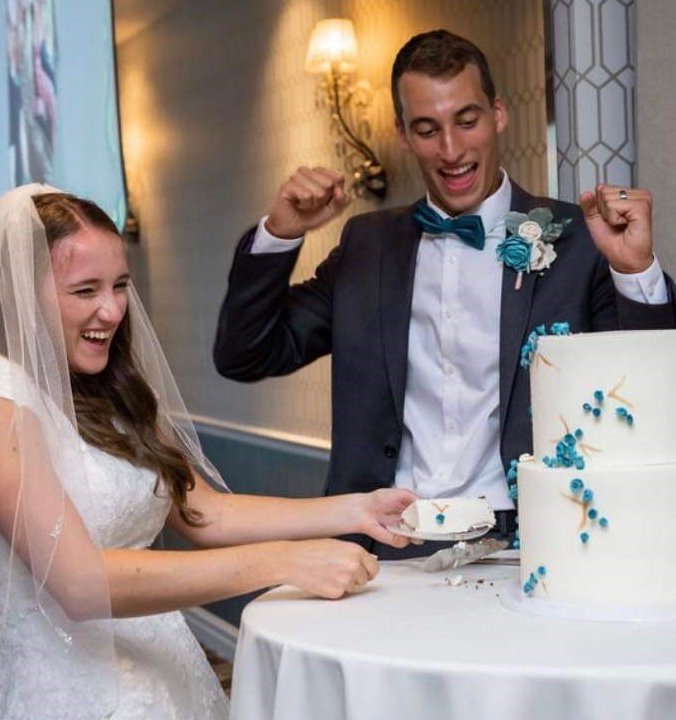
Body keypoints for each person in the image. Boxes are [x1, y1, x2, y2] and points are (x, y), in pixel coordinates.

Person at [0, 184, 417, 720]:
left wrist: (356, 510)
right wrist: (283, 562)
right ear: (19, 292)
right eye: (84, 291)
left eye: (120, 286)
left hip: (170, 687)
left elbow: (203, 511)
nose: (112, 311)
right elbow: (79, 581)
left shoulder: (100, 386)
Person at [214, 29, 676, 559]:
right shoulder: (367, 245)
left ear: (498, 114)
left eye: (467, 120)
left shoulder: (576, 239)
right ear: (403, 134)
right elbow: (245, 355)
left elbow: (651, 397)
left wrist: (635, 271)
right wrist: (280, 233)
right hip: (387, 540)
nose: (451, 150)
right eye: (428, 129)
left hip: (534, 542)